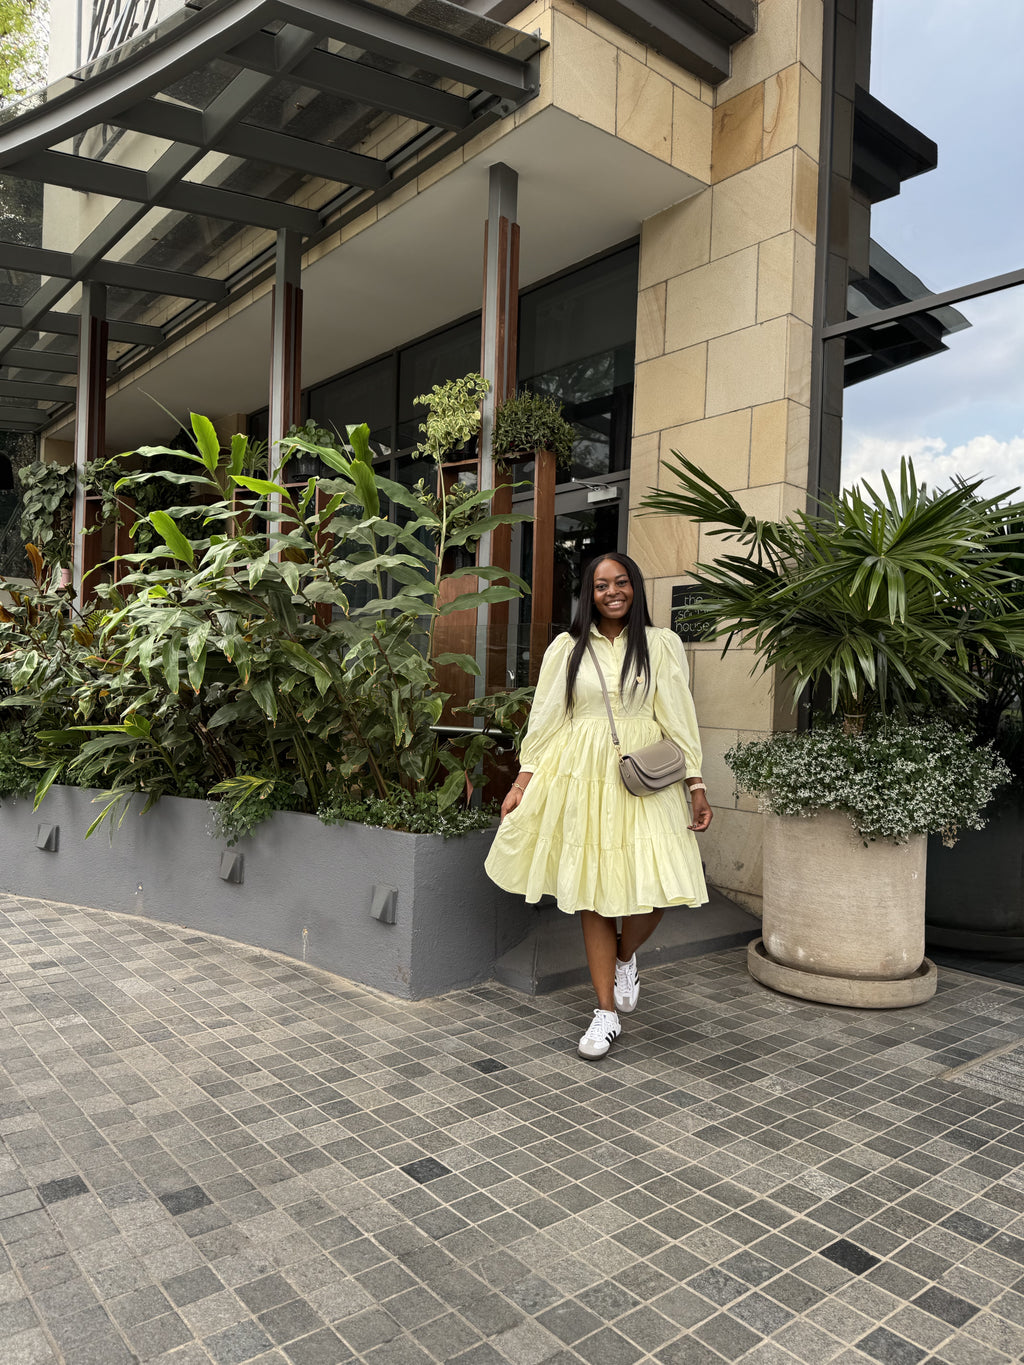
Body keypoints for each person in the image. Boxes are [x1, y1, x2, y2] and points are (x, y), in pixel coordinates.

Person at [485, 552, 712, 1059]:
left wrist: (696, 784)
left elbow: (680, 718)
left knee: (658, 889)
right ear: (588, 594)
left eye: (622, 581)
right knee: (592, 891)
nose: (613, 591)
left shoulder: (660, 645)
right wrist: (523, 781)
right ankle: (605, 1012)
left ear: (635, 587)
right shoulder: (567, 648)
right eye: (602, 584)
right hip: (580, 776)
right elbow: (545, 719)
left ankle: (624, 955)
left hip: (643, 778)